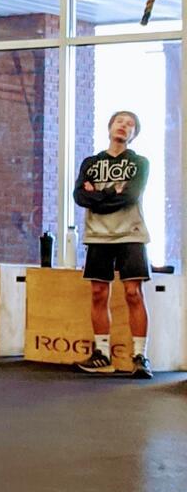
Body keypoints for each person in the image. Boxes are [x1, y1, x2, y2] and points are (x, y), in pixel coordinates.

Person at [74, 110, 152, 379]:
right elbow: (79, 197)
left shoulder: (139, 163)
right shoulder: (91, 163)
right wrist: (110, 191)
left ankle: (140, 356)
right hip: (98, 236)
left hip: (131, 234)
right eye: (120, 121)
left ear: (133, 134)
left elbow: (130, 196)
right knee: (98, 293)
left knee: (133, 293)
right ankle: (102, 354)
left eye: (130, 124)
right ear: (109, 127)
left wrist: (97, 195)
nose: (123, 126)